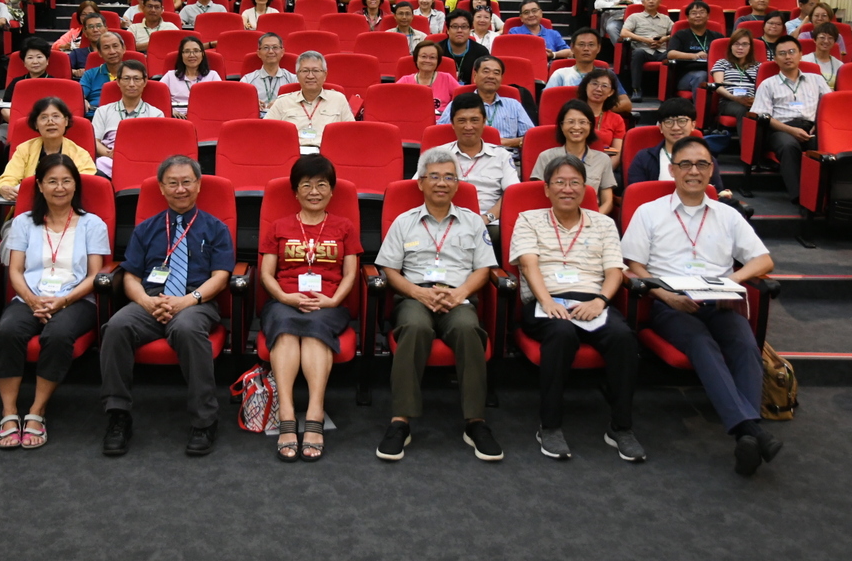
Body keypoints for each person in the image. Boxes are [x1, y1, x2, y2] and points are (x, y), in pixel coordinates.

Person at [620, 136, 779, 476]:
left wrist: (732, 283)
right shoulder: (649, 213)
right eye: (686, 165)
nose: (694, 171)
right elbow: (633, 265)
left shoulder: (727, 215)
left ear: (712, 170)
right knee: (701, 344)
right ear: (672, 170)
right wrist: (664, 295)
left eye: (702, 164)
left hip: (719, 301)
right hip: (671, 304)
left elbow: (763, 260)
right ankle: (751, 430)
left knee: (745, 345)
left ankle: (745, 436)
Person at [510, 154, 644, 462]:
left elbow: (614, 271)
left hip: (591, 300)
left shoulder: (603, 223)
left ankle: (621, 427)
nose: (567, 189)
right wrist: (547, 302)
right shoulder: (529, 219)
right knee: (561, 332)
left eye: (574, 183)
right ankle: (550, 426)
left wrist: (600, 301)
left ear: (586, 189)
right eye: (559, 182)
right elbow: (529, 266)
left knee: (623, 338)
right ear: (546, 189)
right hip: (547, 301)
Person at [101, 155, 236, 457]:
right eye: (172, 183)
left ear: (198, 185)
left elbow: (221, 277)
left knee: (188, 329)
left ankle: (204, 420)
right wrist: (147, 302)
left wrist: (186, 301)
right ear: (161, 188)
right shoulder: (146, 229)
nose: (180, 189)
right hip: (151, 299)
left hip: (196, 301)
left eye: (187, 182)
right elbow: (130, 277)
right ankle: (118, 415)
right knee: (116, 327)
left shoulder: (215, 228)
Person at [374, 147, 502, 463]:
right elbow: (389, 270)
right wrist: (417, 293)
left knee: (468, 328)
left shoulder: (473, 222)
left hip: (457, 296)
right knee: (415, 327)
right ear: (420, 182)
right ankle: (400, 421)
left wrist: (460, 294)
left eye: (449, 177)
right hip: (415, 296)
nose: (441, 183)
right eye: (434, 176)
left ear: (458, 184)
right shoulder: (404, 222)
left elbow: (484, 269)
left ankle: (475, 421)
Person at [0, 154, 111, 449]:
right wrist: (32, 300)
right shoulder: (22, 223)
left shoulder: (91, 224)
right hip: (29, 297)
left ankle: (37, 409)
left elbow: (94, 276)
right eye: (52, 181)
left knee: (57, 334)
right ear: (40, 186)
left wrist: (62, 301)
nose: (60, 188)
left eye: (66, 181)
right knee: (6, 333)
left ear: (76, 185)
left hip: (76, 299)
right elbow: (15, 271)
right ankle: (8, 412)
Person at [260, 155, 362, 461]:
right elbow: (266, 273)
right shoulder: (279, 226)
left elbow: (350, 273)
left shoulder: (344, 227)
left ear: (331, 191)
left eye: (321, 185)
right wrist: (286, 297)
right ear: (295, 191)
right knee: (286, 331)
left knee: (316, 330)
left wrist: (332, 301)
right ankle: (287, 414)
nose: (314, 191)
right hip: (284, 301)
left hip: (328, 303)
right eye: (306, 185)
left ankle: (315, 410)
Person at [750, 35, 832, 198]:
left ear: (801, 54)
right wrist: (791, 130)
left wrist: (818, 123)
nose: (787, 57)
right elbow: (762, 116)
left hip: (812, 127)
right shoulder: (768, 84)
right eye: (782, 53)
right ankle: (800, 197)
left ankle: (825, 196)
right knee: (788, 146)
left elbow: (830, 105)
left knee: (825, 147)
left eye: (792, 52)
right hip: (781, 130)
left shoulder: (816, 79)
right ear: (775, 58)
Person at [430, 93, 518, 241]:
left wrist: (487, 217)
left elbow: (512, 194)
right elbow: (420, 187)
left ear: (484, 121)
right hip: (444, 219)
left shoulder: (501, 156)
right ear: (452, 123)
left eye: (474, 120)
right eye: (462, 121)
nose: (468, 127)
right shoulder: (437, 155)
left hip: (488, 223)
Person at [0, 97, 96, 201]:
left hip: (65, 206)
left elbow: (85, 183)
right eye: (43, 117)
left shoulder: (79, 153)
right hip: (30, 206)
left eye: (56, 116)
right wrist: (4, 187)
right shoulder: (25, 149)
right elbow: (8, 178)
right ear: (36, 124)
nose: (50, 122)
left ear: (66, 121)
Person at [530, 100, 616, 214]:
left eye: (582, 122)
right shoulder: (546, 157)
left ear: (590, 126)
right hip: (552, 220)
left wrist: (593, 221)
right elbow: (538, 199)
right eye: (570, 122)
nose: (576, 127)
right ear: (562, 125)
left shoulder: (603, 159)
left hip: (591, 221)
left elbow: (608, 201)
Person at [439, 55, 535, 156]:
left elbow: (530, 138)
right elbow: (441, 135)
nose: (491, 76)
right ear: (475, 76)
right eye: (486, 71)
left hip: (507, 159)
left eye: (496, 73)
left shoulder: (514, 105)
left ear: (501, 78)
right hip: (465, 157)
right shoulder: (458, 103)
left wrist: (503, 142)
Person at [627, 98, 727, 192]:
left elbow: (716, 194)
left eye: (682, 121)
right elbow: (637, 194)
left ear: (693, 125)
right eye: (669, 122)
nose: (675, 127)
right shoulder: (644, 158)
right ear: (661, 127)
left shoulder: (706, 159)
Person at [265, 51, 355, 148]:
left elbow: (350, 133)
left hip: (327, 156)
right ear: (297, 75)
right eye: (305, 71)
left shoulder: (338, 99)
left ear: (325, 75)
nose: (310, 76)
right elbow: (266, 133)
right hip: (293, 155)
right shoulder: (282, 102)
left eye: (316, 71)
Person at [93, 59, 163, 176]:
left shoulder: (156, 114)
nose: (131, 84)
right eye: (126, 79)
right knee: (99, 163)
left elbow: (156, 146)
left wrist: (128, 154)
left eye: (136, 79)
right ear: (118, 82)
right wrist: (110, 154)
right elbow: (94, 141)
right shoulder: (103, 111)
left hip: (142, 160)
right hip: (110, 160)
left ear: (145, 82)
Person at [547, 30, 632, 114]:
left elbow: (626, 104)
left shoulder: (607, 76)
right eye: (581, 45)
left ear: (598, 48)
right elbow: (546, 104)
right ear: (572, 48)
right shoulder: (560, 74)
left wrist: (597, 108)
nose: (586, 49)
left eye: (591, 45)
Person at [0, 37, 53, 142]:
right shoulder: (16, 83)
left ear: (47, 60)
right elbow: (5, 108)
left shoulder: (56, 83)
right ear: (24, 62)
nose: (35, 61)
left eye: (39, 57)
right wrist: (22, 124)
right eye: (30, 58)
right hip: (16, 124)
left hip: (48, 126)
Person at [619, 0, 672, 98]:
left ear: (659, 1)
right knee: (637, 53)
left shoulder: (666, 19)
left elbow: (676, 34)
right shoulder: (635, 17)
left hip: (661, 51)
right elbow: (624, 33)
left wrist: (663, 39)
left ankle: (671, 91)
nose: (651, 1)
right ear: (643, 2)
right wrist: (645, 40)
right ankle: (636, 89)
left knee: (674, 54)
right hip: (643, 51)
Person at [666, 0, 725, 95]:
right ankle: (700, 109)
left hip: (714, 73)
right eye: (694, 13)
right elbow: (671, 54)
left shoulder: (717, 36)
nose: (698, 16)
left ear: (708, 16)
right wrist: (695, 55)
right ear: (688, 17)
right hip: (687, 76)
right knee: (701, 76)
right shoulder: (681, 35)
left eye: (702, 12)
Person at [160, 36, 222, 118]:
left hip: (203, 117)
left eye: (196, 51)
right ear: (181, 55)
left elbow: (220, 101)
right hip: (174, 119)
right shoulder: (170, 76)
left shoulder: (213, 76)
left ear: (202, 54)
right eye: (187, 51)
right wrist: (170, 110)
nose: (192, 55)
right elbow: (158, 98)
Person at [577, 69, 625, 168]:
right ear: (586, 86)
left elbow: (617, 154)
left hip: (604, 168)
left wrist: (602, 172)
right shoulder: (573, 115)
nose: (599, 89)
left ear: (611, 92)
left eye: (604, 86)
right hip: (574, 165)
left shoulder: (617, 119)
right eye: (594, 84)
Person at [711, 28, 762, 123]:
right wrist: (735, 98)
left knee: (761, 112)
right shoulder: (722, 63)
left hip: (752, 101)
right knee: (742, 110)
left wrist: (755, 101)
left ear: (750, 47)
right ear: (731, 46)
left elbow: (763, 88)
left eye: (744, 44)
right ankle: (746, 138)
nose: (740, 48)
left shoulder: (758, 66)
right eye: (736, 44)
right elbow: (718, 86)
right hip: (729, 101)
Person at [397, 40, 460, 114]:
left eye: (432, 57)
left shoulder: (447, 78)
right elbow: (393, 102)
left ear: (438, 61)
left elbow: (462, 99)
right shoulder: (405, 81)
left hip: (440, 122)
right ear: (416, 59)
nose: (427, 60)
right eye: (424, 56)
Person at [241, 32, 295, 115]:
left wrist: (282, 103)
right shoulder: (247, 80)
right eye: (266, 48)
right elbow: (239, 102)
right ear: (259, 53)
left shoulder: (293, 79)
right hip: (256, 121)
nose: (270, 51)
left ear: (282, 52)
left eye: (275, 47)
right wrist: (251, 103)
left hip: (283, 119)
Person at [437, 9, 490, 85]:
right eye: (455, 26)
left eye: (464, 27)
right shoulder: (437, 50)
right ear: (448, 30)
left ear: (470, 30)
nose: (459, 30)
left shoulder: (481, 52)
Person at [81, 30, 128, 112]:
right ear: (100, 53)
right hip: (94, 115)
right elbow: (78, 96)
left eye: (115, 46)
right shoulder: (90, 74)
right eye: (106, 48)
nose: (112, 52)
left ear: (123, 48)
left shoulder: (134, 73)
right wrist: (81, 101)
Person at [69, 13, 107, 79]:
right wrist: (75, 72)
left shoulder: (114, 52)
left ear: (106, 29)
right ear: (85, 33)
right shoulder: (77, 54)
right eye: (91, 27)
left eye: (99, 26)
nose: (95, 30)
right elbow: (63, 70)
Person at [807, 22, 843, 90]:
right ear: (814, 39)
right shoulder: (804, 61)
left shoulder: (840, 65)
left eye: (830, 38)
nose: (826, 41)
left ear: (834, 42)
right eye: (822, 37)